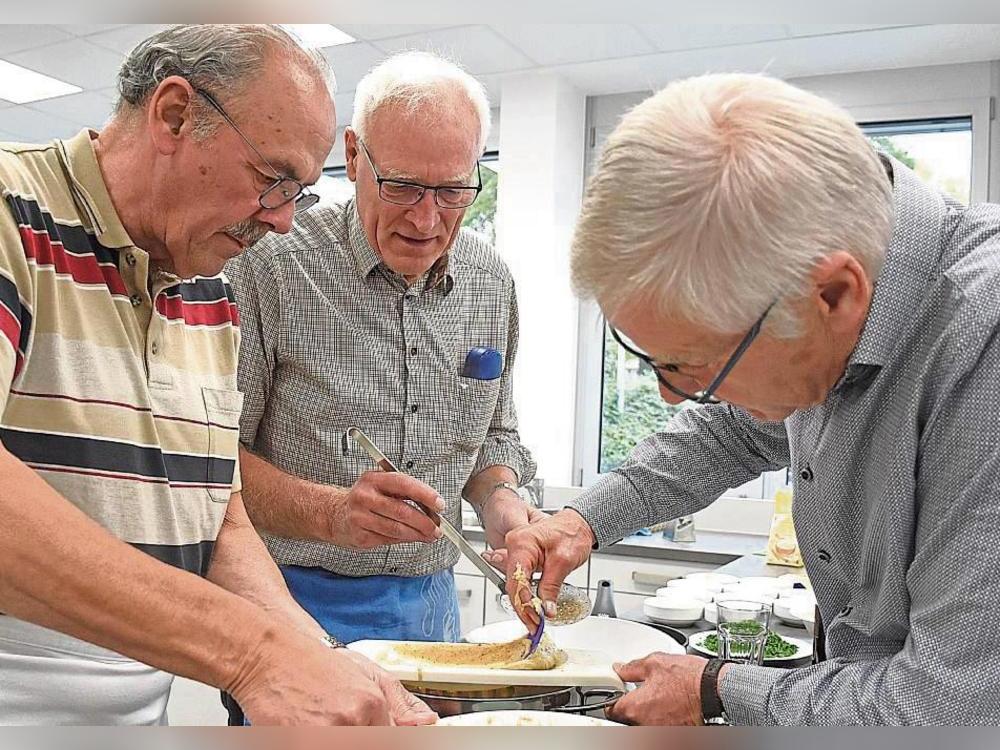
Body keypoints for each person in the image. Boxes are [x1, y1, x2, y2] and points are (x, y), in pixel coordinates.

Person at [494, 73, 1000, 725]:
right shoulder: (820, 319)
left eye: (694, 365)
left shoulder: (981, 346)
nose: (674, 394)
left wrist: (718, 688)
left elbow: (952, 708)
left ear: (835, 296)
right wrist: (580, 521)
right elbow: (728, 431)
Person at [0, 24, 434, 726]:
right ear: (174, 115)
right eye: (273, 180)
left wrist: (318, 656)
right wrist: (254, 654)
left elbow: (216, 515)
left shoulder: (209, 291)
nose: (288, 222)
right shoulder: (9, 209)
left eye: (301, 191)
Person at [226, 49, 538, 673]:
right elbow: (210, 459)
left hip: (432, 604)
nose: (426, 220)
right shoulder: (272, 266)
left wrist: (505, 506)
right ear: (352, 154)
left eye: (453, 191)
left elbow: (491, 435)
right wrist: (331, 512)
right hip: (290, 596)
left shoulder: (490, 282)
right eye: (401, 187)